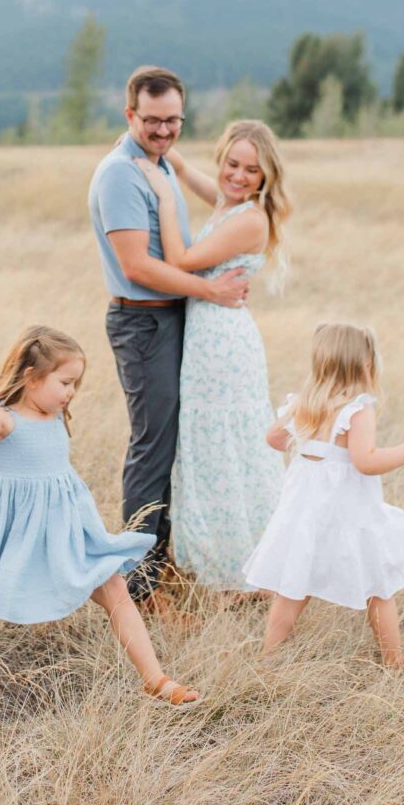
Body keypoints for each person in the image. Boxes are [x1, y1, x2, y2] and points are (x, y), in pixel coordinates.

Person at [0, 326, 199, 711]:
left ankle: (155, 680)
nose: (71, 392)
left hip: (66, 528)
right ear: (31, 377)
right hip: (18, 532)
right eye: (65, 382)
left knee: (114, 588)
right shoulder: (4, 420)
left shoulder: (54, 415)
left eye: (75, 383)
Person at [88, 66, 249, 613]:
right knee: (152, 450)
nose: (163, 130)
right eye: (152, 120)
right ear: (129, 114)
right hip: (144, 322)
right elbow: (139, 267)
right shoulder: (120, 175)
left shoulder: (156, 164)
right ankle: (139, 585)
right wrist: (211, 292)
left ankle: (166, 565)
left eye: (173, 121)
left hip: (173, 321)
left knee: (178, 447)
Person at [135, 119, 292, 592]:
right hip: (208, 337)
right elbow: (209, 185)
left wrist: (163, 196)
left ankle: (240, 567)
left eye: (251, 170)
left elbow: (181, 260)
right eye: (232, 163)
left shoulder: (250, 219)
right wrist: (173, 160)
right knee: (211, 446)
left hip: (222, 345)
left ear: (266, 178)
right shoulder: (231, 203)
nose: (238, 176)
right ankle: (218, 560)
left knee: (224, 448)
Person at [243, 322, 404, 666]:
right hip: (349, 511)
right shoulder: (357, 409)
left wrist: (307, 445)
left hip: (307, 508)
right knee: (379, 582)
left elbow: (274, 439)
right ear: (365, 364)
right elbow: (365, 461)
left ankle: (269, 655)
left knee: (295, 581)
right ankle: (393, 656)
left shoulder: (306, 403)